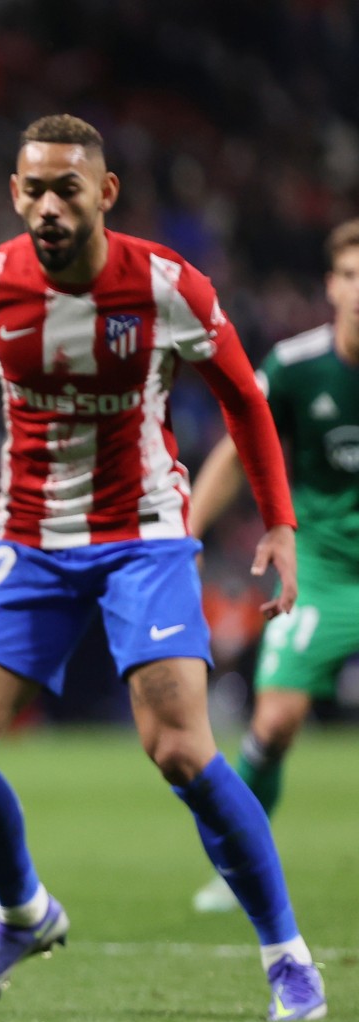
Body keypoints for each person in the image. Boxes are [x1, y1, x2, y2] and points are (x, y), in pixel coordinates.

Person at [0, 115, 326, 1022]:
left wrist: (280, 524)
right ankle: (24, 910)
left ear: (106, 194)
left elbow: (244, 402)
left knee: (181, 747)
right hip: (27, 541)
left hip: (143, 533)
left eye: (68, 186)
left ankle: (285, 950)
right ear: (14, 194)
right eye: (34, 187)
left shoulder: (165, 284)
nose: (49, 204)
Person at [185, 219, 359, 914]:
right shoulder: (297, 365)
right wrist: (187, 532)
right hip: (321, 567)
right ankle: (240, 867)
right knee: (275, 720)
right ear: (331, 285)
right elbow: (236, 447)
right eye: (350, 275)